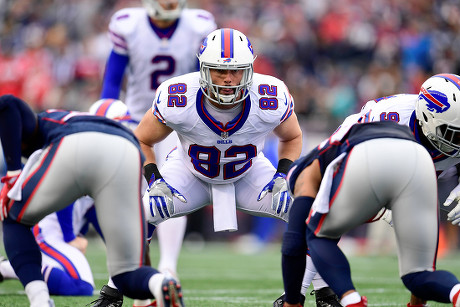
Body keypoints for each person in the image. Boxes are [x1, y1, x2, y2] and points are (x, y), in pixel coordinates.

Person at [134, 27, 340, 306]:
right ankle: (116, 291)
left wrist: (283, 176)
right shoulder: (177, 95)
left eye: (237, 71)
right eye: (219, 71)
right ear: (203, 69)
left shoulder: (270, 94)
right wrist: (154, 179)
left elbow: (292, 136)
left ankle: (322, 291)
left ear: (250, 70)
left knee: (309, 214)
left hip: (249, 173)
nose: (229, 79)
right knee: (139, 215)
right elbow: (142, 139)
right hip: (189, 172)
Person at [0, 94, 184, 307]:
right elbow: (115, 221)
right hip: (128, 151)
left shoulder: (55, 120)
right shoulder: (126, 133)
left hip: (73, 143)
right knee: (125, 271)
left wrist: (12, 174)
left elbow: (8, 104)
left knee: (13, 217)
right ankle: (159, 281)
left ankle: (40, 301)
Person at [98, 1, 216, 305]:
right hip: (138, 121)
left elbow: (202, 78)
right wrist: (106, 114)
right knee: (137, 198)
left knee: (171, 189)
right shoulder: (128, 23)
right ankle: (143, 273)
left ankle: (168, 267)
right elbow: (113, 79)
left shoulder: (199, 25)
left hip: (178, 121)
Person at [282, 119, 460, 306]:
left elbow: (293, 242)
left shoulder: (302, 172)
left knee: (318, 236)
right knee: (418, 274)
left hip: (368, 152)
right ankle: (456, 293)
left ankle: (352, 300)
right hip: (422, 158)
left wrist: (292, 301)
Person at [336, 73, 460, 306]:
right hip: (370, 166)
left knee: (423, 265)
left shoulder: (450, 124)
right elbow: (344, 161)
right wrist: (386, 204)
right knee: (324, 225)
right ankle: (311, 294)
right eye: (455, 134)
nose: (458, 142)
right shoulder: (388, 119)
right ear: (428, 119)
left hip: (421, 178)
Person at [0, 196, 100, 296]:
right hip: (47, 233)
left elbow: (95, 215)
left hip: (56, 236)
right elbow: (65, 194)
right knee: (83, 287)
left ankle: (9, 267)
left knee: (75, 281)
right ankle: (8, 268)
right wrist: (70, 238)